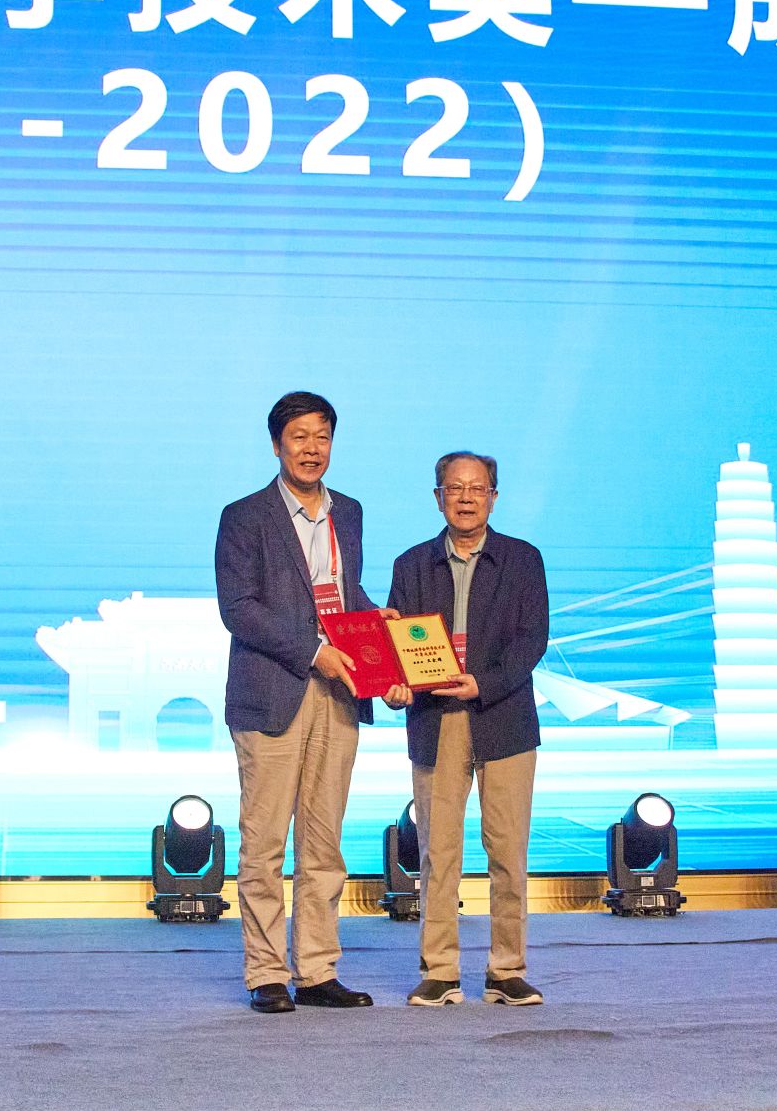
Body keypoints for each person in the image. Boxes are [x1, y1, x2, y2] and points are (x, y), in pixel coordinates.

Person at [215, 391, 394, 1014]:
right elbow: (239, 610)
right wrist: (314, 651)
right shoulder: (244, 516)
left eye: (322, 436)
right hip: (272, 692)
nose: (311, 448)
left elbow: (345, 593)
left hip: (339, 694)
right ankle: (267, 972)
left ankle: (316, 970)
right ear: (276, 445)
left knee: (324, 842)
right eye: (299, 437)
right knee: (264, 843)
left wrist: (382, 629)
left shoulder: (351, 511)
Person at [387, 451, 547, 1007]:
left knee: (508, 851)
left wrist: (484, 683)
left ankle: (507, 970)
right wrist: (395, 683)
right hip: (435, 719)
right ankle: (440, 970)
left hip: (503, 716)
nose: (466, 497)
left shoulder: (523, 560)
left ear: (493, 498)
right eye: (454, 488)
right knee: (437, 852)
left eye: (477, 488)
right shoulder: (411, 565)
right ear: (438, 497)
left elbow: (532, 640)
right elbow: (396, 643)